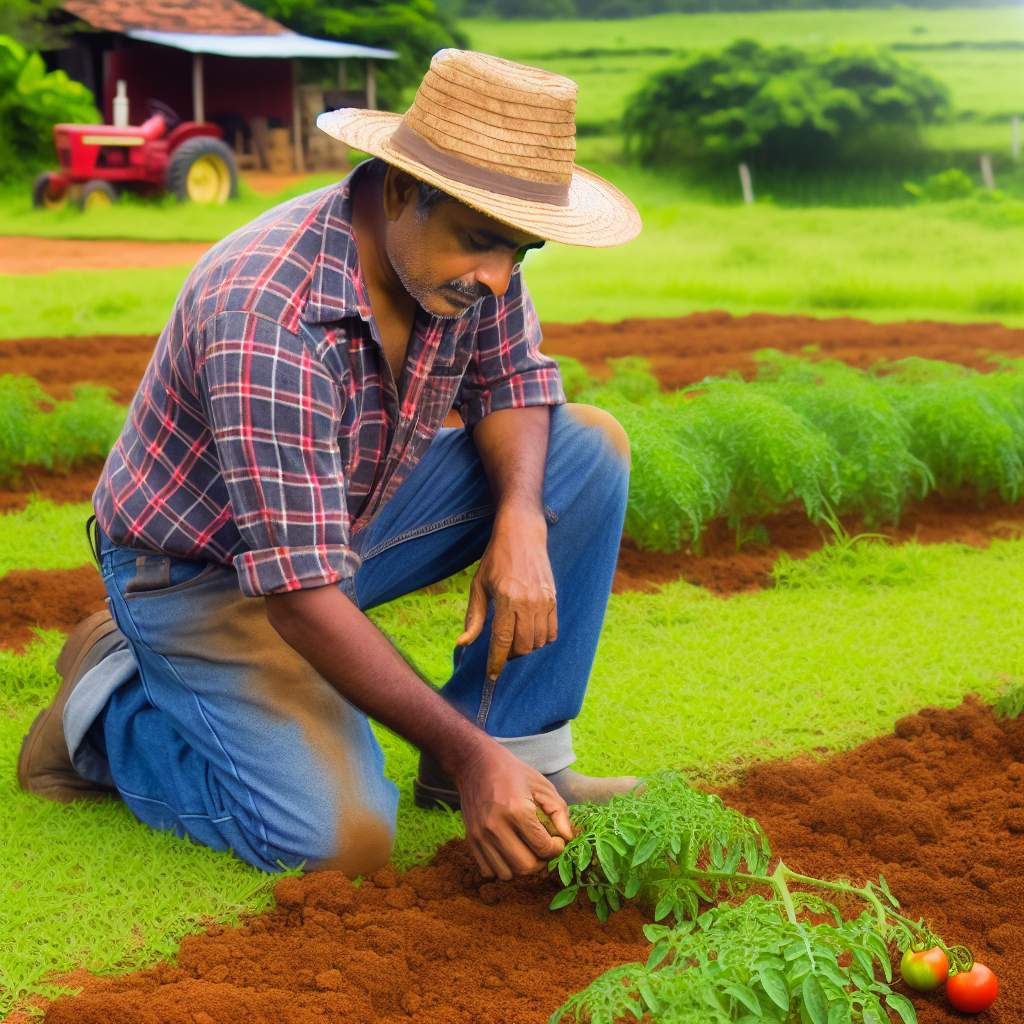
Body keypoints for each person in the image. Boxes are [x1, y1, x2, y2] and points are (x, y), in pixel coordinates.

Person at [18, 49, 643, 883]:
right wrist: (462, 754)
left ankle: (516, 746)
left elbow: (516, 381)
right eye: (482, 242)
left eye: (521, 253)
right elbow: (303, 599)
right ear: (396, 190)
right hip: (203, 575)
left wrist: (523, 516)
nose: (499, 276)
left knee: (586, 449)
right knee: (339, 842)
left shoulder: (459, 267)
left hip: (342, 524)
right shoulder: (266, 314)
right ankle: (108, 714)